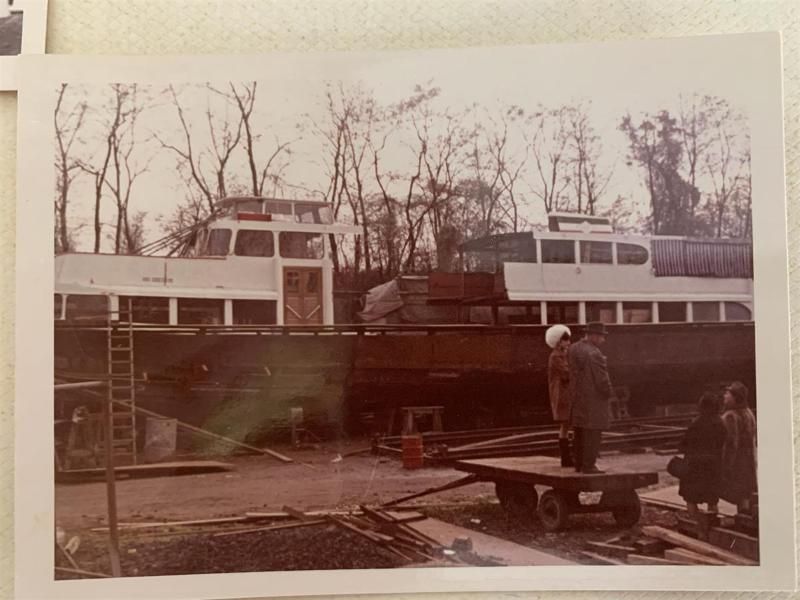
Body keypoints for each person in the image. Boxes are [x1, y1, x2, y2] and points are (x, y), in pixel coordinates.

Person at [568, 322, 613, 474]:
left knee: (579, 431)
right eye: (601, 336)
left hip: (577, 397)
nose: (603, 340)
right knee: (593, 433)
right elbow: (601, 380)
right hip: (594, 400)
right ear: (593, 336)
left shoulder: (573, 348)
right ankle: (589, 465)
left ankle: (579, 465)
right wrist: (609, 393)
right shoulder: (595, 354)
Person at [677, 392, 726, 516]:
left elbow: (684, 444)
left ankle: (694, 523)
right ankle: (713, 524)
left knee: (691, 498)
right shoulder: (720, 423)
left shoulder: (696, 424)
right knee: (712, 499)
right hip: (713, 466)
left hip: (695, 466)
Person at [720, 381, 757, 513]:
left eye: (728, 393)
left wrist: (725, 467)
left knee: (737, 494)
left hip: (736, 465)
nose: (724, 395)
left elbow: (731, 444)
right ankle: (744, 522)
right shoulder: (749, 413)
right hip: (749, 463)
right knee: (745, 497)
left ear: (735, 397)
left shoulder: (730, 416)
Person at [545, 324, 572, 467]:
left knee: (566, 425)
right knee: (566, 424)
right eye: (565, 339)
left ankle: (566, 457)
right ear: (558, 341)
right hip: (562, 393)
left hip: (565, 392)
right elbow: (567, 373)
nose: (568, 342)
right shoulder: (556, 357)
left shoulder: (562, 355)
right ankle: (566, 457)